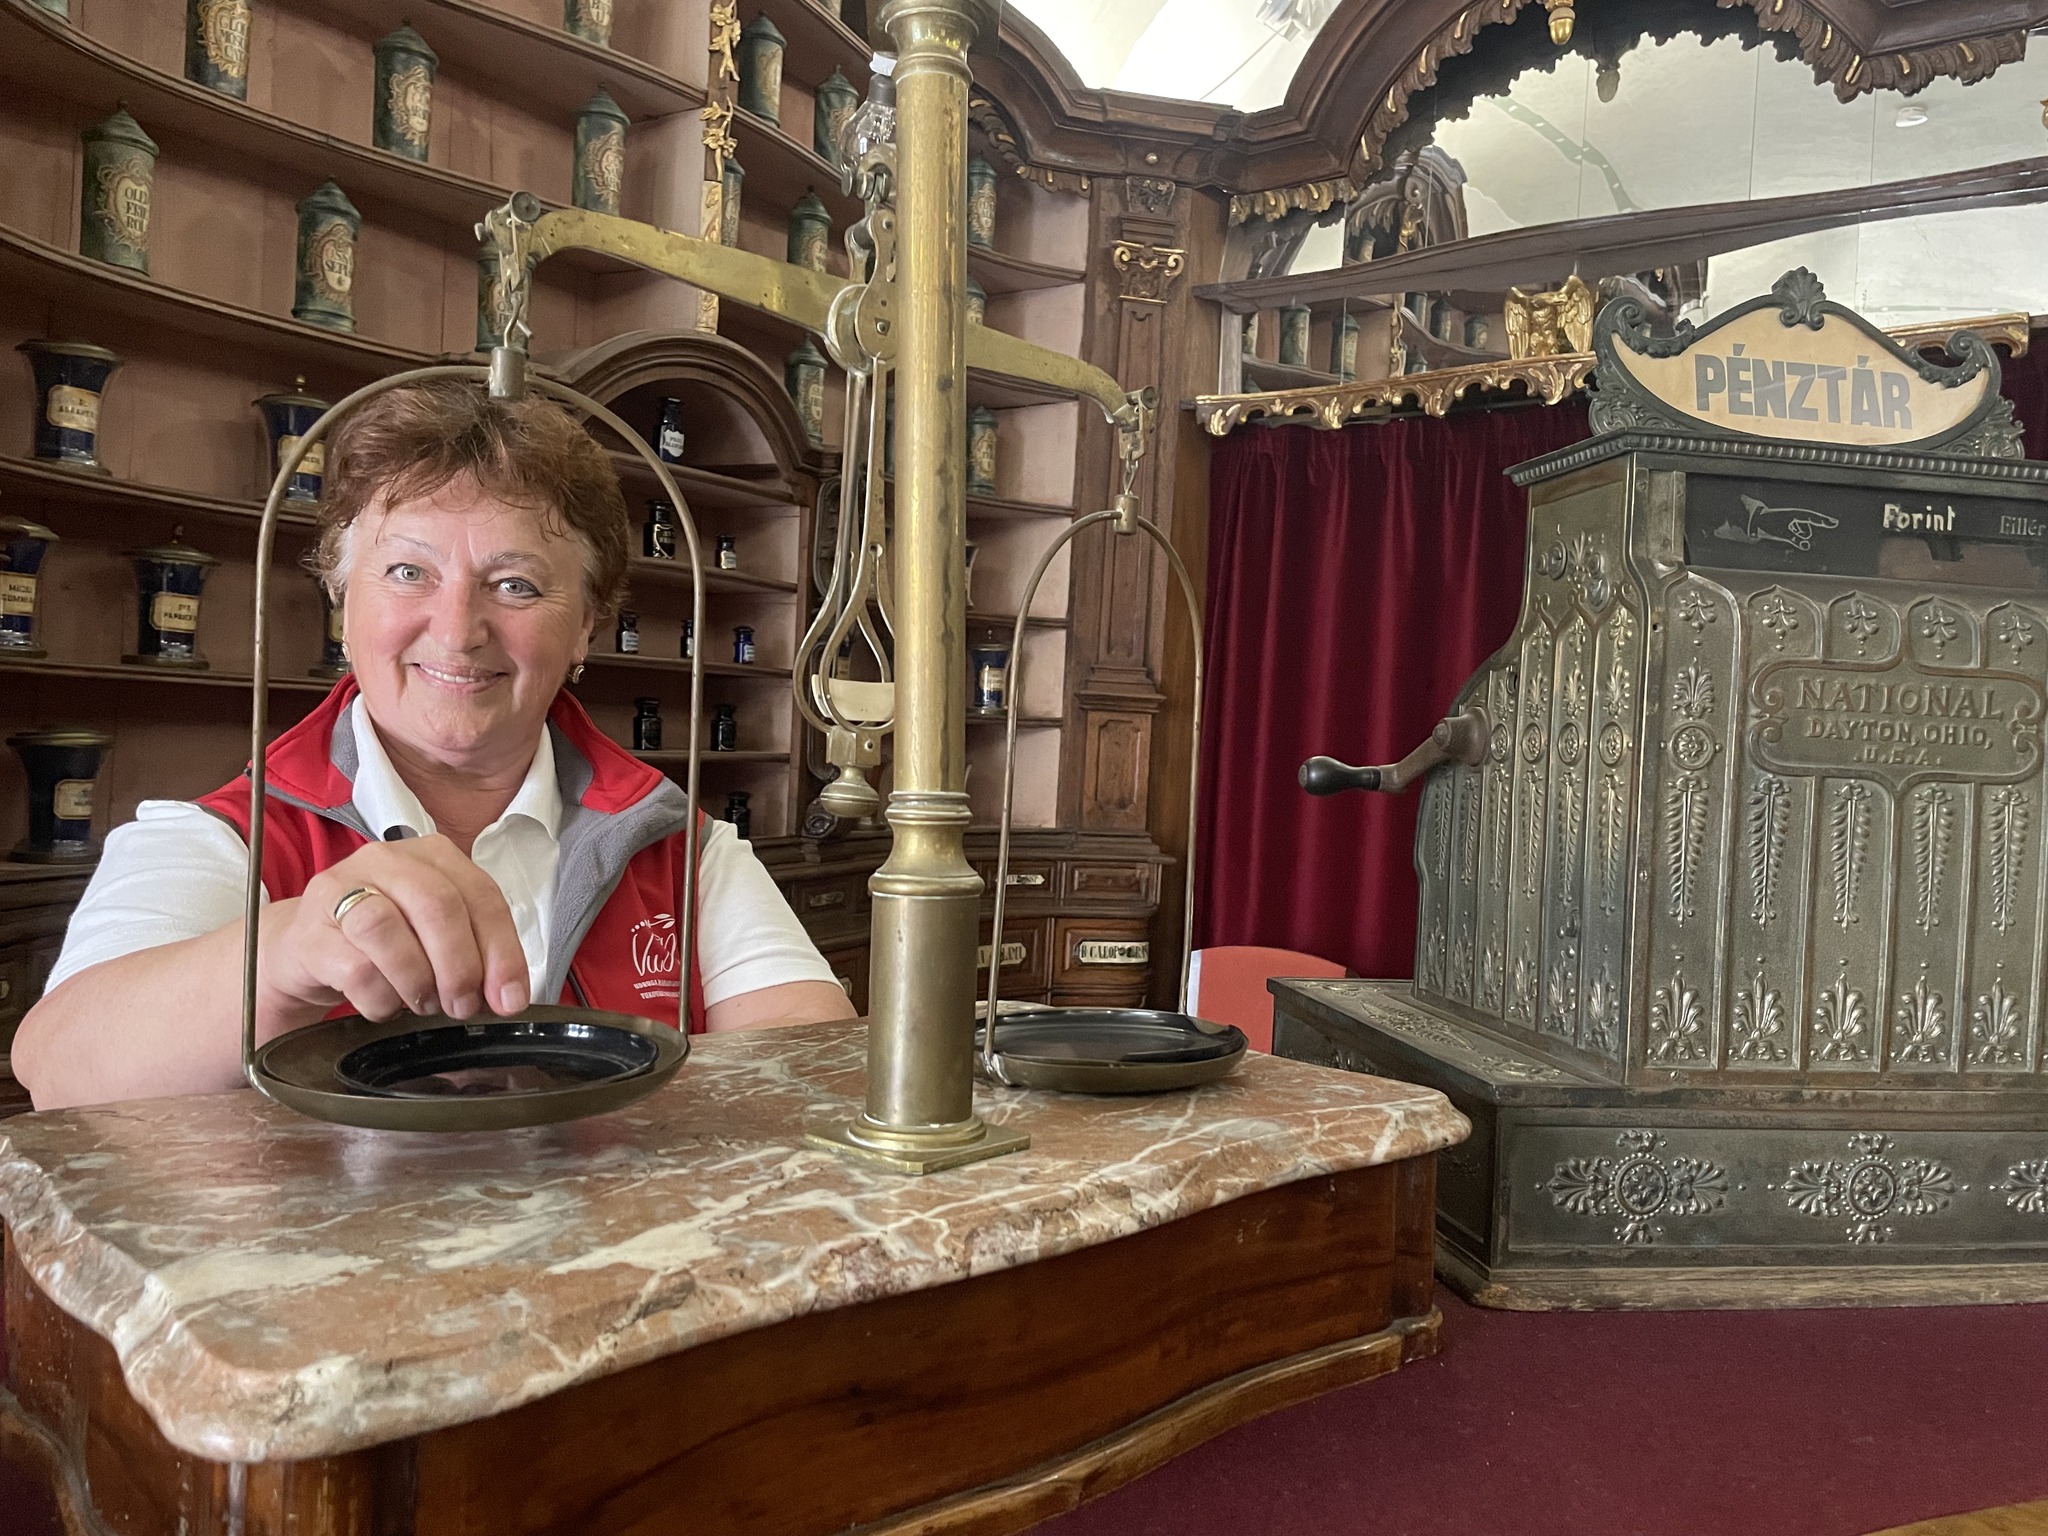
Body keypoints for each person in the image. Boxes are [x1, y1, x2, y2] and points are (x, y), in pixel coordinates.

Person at [15, 381, 854, 1110]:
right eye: (408, 572)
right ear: (343, 601)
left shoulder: (685, 854)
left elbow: (809, 1069)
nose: (457, 631)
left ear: (585, 629)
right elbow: (60, 1069)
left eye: (515, 584)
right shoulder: (219, 839)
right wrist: (284, 954)